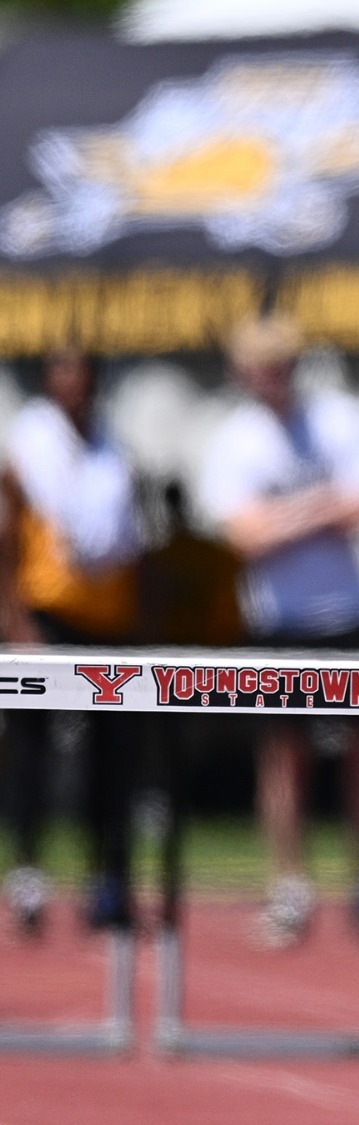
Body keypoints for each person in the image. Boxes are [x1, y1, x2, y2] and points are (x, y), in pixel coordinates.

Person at [198, 314, 359, 951]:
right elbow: (244, 535)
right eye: (258, 367)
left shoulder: (339, 421)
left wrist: (290, 517)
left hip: (344, 613)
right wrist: (317, 508)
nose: (270, 378)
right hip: (279, 621)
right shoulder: (236, 440)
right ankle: (289, 888)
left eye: (280, 365)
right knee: (284, 753)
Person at [0, 346, 145, 935]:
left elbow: (132, 539)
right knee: (30, 748)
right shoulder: (28, 446)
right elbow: (6, 541)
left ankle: (104, 877)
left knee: (108, 757)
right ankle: (29, 874)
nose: (77, 389)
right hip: (47, 613)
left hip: (107, 621)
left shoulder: (114, 448)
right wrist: (15, 622)